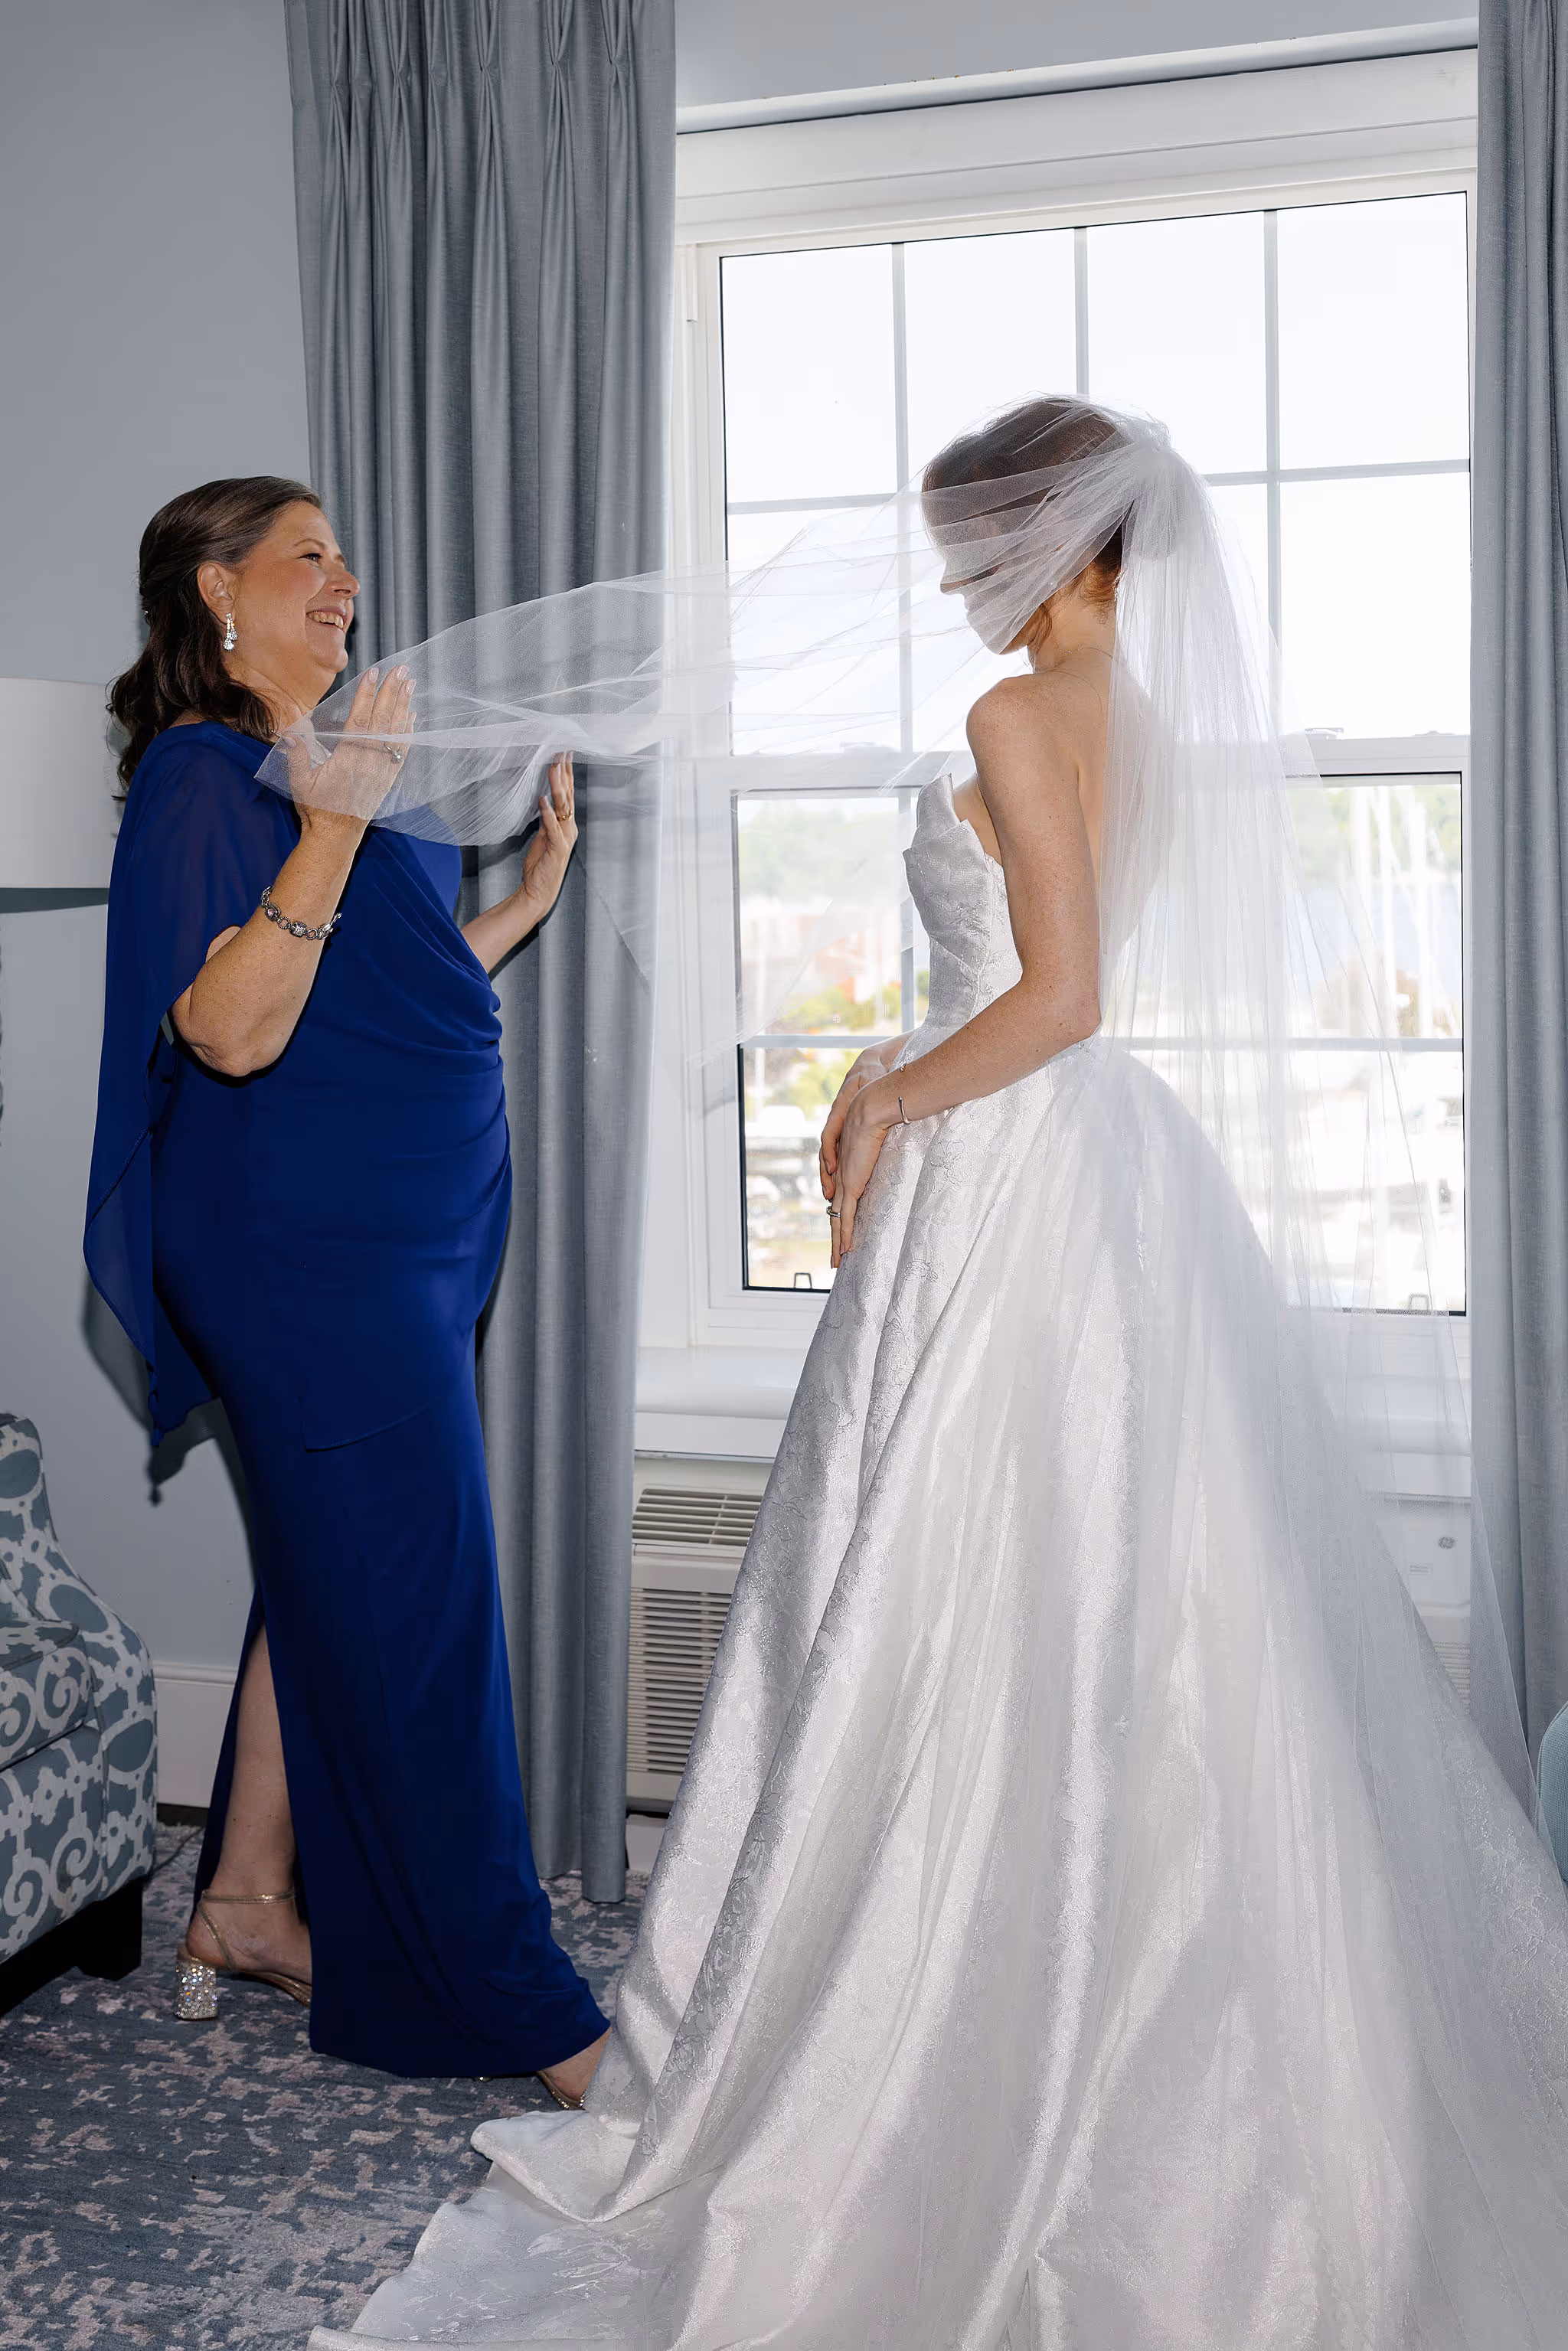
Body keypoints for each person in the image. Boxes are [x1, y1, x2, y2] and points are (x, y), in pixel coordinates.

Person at [313, 401, 1568, 2349]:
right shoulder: (1151, 724)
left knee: (947, 1607)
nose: (955, 581)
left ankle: (947, 2044)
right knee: (1140, 1627)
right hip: (1115, 1185)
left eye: (970, 545)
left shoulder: (1011, 721)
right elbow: (1077, 996)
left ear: (1052, 540)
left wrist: (888, 1077)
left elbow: (1053, 1001)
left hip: (1012, 1178)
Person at [86, 475, 609, 2099]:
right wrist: (325, 822)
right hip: (311, 1259)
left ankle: (244, 1898)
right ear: (215, 593)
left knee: (334, 1570)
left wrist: (516, 901)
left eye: (343, 556)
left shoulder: (349, 783)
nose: (345, 580)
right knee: (422, 1610)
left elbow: (378, 982)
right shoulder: (203, 778)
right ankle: (523, 2004)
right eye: (306, 555)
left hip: (407, 1242)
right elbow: (231, 1026)